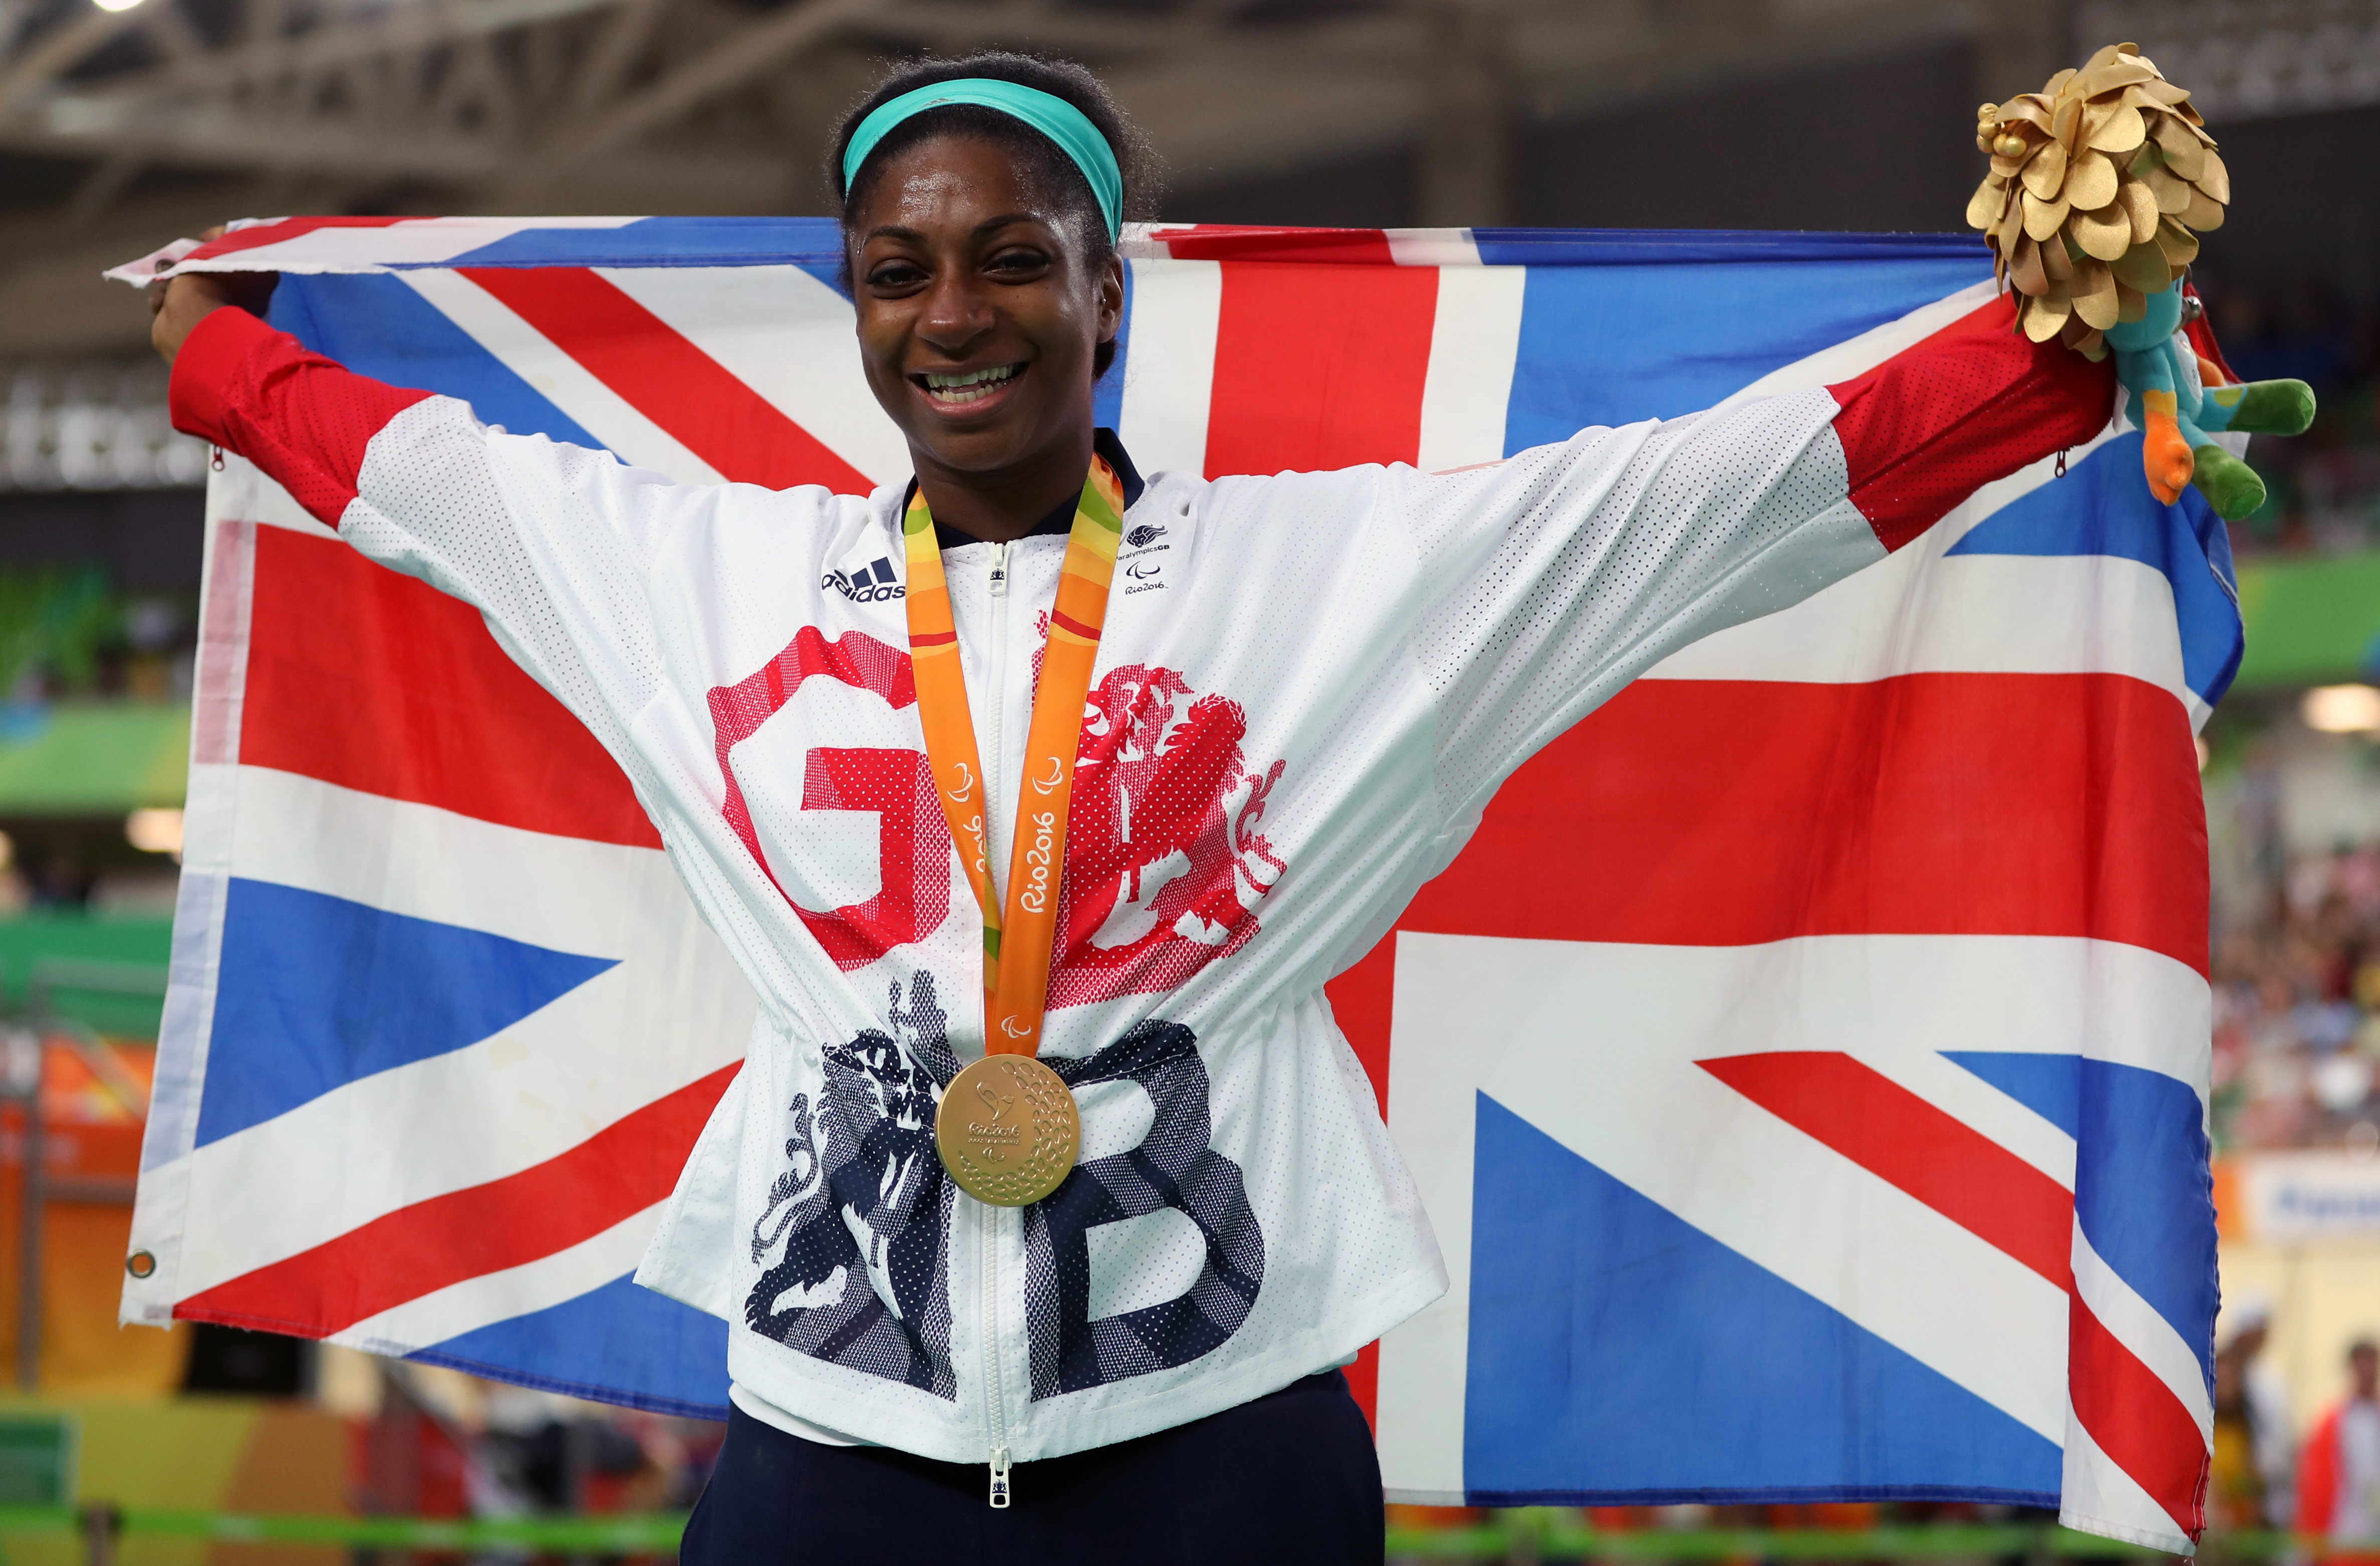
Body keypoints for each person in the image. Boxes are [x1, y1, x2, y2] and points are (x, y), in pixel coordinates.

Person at [147, 51, 2125, 1565]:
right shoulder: (701, 577)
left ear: (1111, 290)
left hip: (1217, 1450)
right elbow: (411, 473)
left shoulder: (1331, 578)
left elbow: (1727, 498)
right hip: (830, 1451)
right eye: (898, 271)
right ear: (855, 308)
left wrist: (2061, 341)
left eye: (1014, 257)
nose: (953, 312)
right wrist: (207, 348)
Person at [2301, 1337, 2380, 1557]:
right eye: (2362, 1363)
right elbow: (2315, 1481)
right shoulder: (2332, 1423)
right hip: (2343, 1529)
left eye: (2372, 1363)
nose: (2368, 1371)